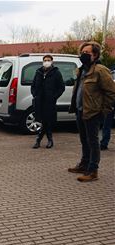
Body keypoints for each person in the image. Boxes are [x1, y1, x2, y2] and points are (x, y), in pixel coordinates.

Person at [68, 41, 115, 182]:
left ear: (95, 55)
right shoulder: (81, 70)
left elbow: (111, 93)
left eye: (87, 53)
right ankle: (84, 164)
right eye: (82, 53)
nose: (84, 55)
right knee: (84, 140)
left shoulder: (101, 70)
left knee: (93, 142)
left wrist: (103, 111)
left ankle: (93, 170)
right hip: (80, 111)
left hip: (93, 113)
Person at [31, 54, 65, 149]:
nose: (47, 61)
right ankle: (48, 139)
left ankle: (40, 140)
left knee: (47, 120)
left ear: (52, 61)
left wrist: (54, 97)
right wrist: (35, 94)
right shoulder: (38, 72)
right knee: (43, 120)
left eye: (48, 60)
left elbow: (61, 87)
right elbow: (33, 85)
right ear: (42, 61)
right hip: (39, 101)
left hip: (50, 101)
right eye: (45, 60)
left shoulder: (56, 72)